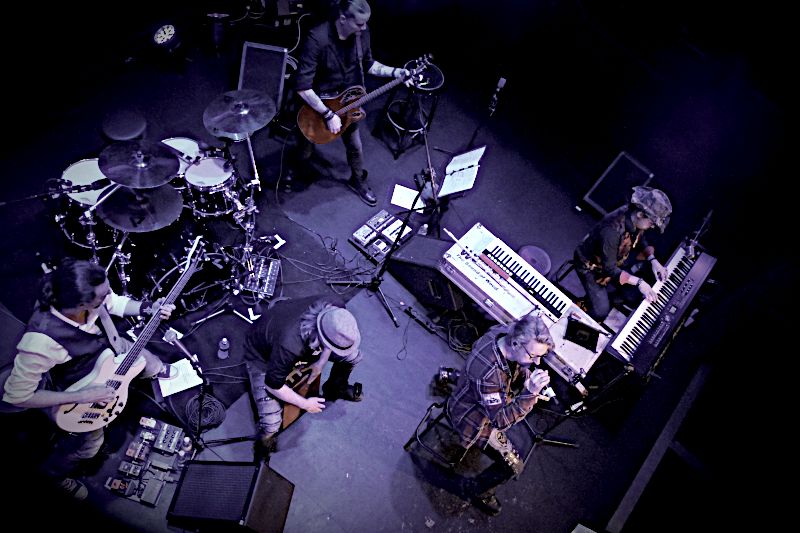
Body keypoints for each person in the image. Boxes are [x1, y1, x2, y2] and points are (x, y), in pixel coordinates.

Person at [1, 258, 176, 500]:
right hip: (80, 385)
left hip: (109, 349)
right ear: (82, 304)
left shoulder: (91, 296)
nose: (108, 296)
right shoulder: (40, 342)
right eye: (102, 296)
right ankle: (54, 475)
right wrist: (83, 396)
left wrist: (148, 308)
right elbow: (18, 396)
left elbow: (114, 302)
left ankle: (160, 373)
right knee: (89, 446)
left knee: (148, 361)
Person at [288, 0, 410, 205]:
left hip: (347, 99)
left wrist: (395, 72)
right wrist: (328, 114)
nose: (364, 28)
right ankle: (299, 168)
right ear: (343, 18)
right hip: (318, 103)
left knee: (355, 145)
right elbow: (302, 86)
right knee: (306, 146)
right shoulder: (317, 39)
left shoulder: (362, 34)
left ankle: (357, 180)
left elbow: (369, 64)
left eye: (365, 23)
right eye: (359, 23)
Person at [447, 313, 555, 516]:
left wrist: (526, 376)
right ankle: (476, 491)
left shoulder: (503, 333)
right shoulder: (488, 374)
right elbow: (499, 421)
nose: (538, 362)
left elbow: (515, 367)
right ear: (516, 344)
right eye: (534, 356)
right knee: (514, 466)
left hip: (477, 397)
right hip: (472, 418)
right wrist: (529, 395)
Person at [244, 295, 363, 453]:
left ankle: (335, 387)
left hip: (304, 343)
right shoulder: (290, 345)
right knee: (272, 423)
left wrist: (320, 363)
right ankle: (264, 444)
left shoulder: (336, 306)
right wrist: (305, 404)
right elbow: (273, 386)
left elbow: (329, 339)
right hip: (261, 358)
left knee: (353, 357)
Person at [574, 186, 673, 322]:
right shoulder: (611, 231)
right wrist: (639, 282)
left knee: (630, 295)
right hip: (589, 265)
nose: (652, 227)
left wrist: (653, 260)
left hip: (610, 261)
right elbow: (609, 269)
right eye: (652, 223)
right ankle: (582, 307)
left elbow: (640, 238)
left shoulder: (633, 216)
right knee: (601, 312)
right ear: (641, 214)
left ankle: (600, 296)